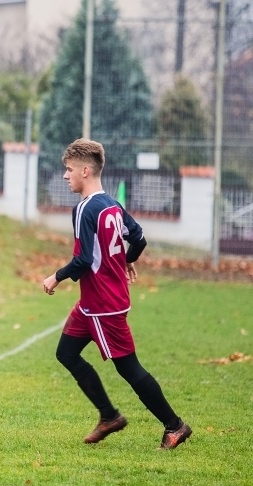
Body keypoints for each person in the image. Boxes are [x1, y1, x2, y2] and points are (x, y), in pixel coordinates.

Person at [42, 138, 191, 450]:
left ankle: (175, 426)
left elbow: (83, 260)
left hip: (103, 304)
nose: (65, 176)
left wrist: (56, 277)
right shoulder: (111, 204)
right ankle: (109, 416)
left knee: (129, 368)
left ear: (85, 170)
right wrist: (126, 260)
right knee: (66, 353)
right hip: (93, 304)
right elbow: (138, 239)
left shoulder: (84, 209)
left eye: (69, 170)